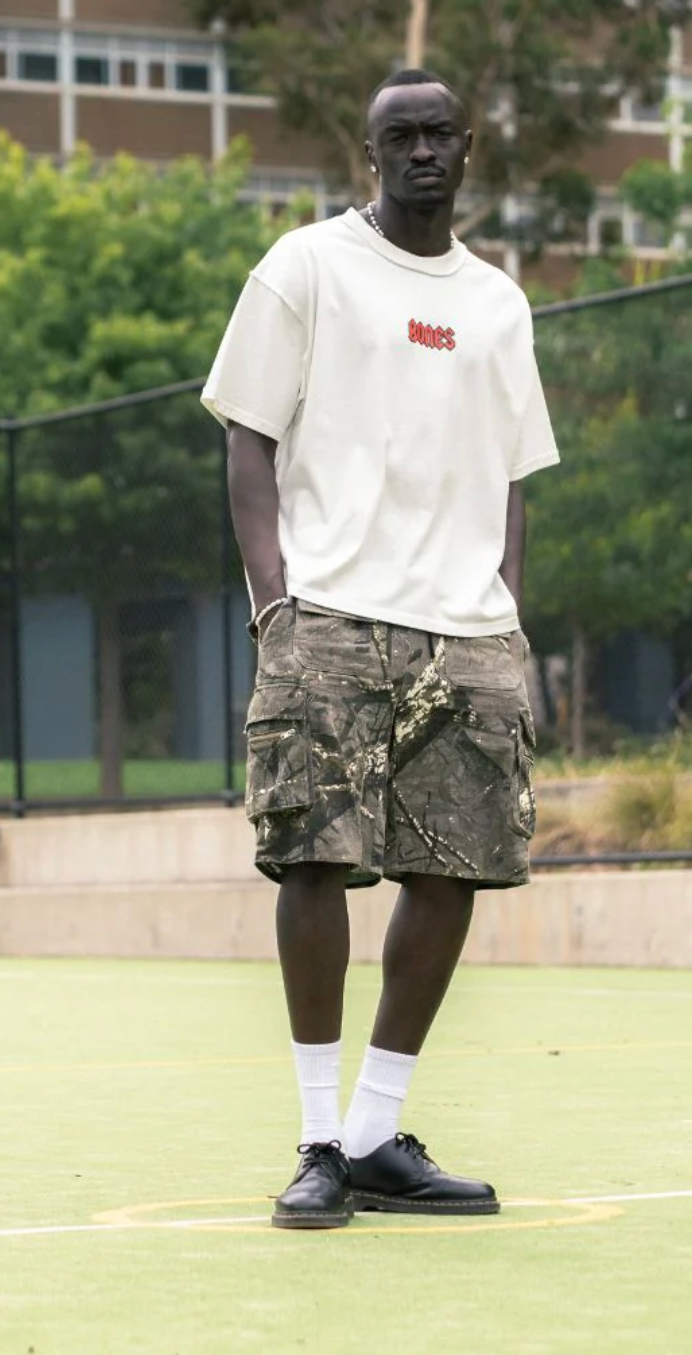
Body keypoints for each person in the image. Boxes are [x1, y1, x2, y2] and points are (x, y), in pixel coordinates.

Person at [201, 68, 559, 1230]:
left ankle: (373, 1132)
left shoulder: (498, 304)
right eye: (397, 136)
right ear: (371, 154)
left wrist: (504, 609)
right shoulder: (305, 267)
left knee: (451, 871)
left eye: (437, 133)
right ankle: (317, 1139)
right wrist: (276, 603)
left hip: (468, 628)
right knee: (312, 860)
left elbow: (512, 474)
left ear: (467, 146)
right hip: (329, 614)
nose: (420, 152)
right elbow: (248, 440)